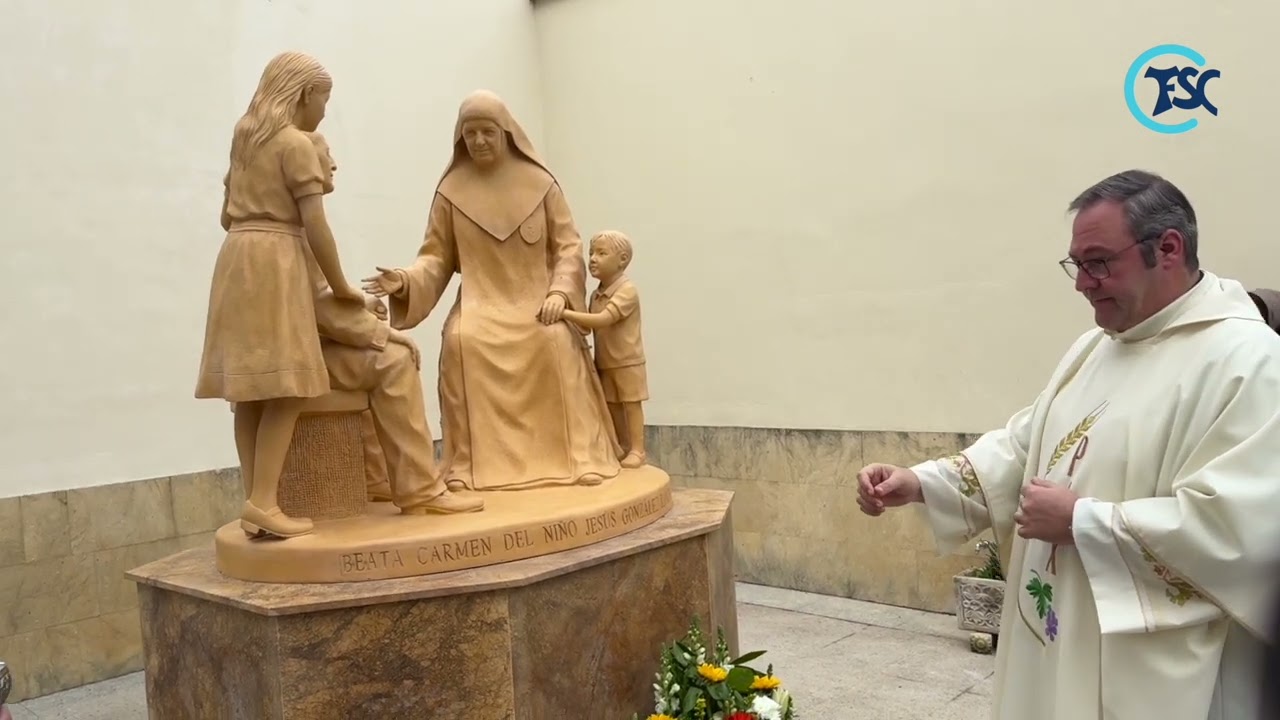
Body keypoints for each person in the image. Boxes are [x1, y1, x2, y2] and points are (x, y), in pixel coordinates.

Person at [855, 170, 1280, 719]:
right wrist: (921, 482)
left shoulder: (1248, 362)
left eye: (1098, 262)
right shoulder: (1095, 347)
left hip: (1152, 671)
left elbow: (1242, 531)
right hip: (1058, 641)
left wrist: (1083, 521)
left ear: (1168, 248)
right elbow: (1026, 444)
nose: (1082, 282)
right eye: (1076, 265)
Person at [362, 90, 622, 491]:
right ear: (460, 138)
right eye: (470, 134)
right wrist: (405, 280)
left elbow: (568, 247)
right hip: (481, 305)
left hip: (539, 303)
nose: (479, 141)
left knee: (554, 340)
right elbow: (435, 257)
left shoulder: (541, 185)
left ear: (506, 133)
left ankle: (580, 456)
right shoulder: (451, 191)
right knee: (460, 340)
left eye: (487, 132)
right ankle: (466, 466)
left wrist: (558, 292)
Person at [195, 51, 366, 539]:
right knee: (288, 388)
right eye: (325, 100)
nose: (325, 111)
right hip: (274, 259)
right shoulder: (294, 144)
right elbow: (316, 224)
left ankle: (255, 501)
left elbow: (227, 215)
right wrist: (341, 287)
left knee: (249, 393)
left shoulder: (244, 137)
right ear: (305, 94)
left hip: (236, 258)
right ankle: (266, 502)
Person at [302, 131, 482, 515]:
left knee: (376, 355)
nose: (333, 163)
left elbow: (320, 300)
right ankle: (420, 490)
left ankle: (379, 478)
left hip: (308, 347)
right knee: (394, 362)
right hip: (303, 357)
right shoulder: (296, 230)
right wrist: (383, 334)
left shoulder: (288, 226)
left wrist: (366, 306)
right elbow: (316, 306)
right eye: (327, 155)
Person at [562, 230, 650, 468]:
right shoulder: (596, 294)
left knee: (631, 404)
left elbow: (602, 320)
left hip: (628, 361)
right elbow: (588, 326)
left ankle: (638, 450)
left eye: (601, 253)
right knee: (611, 404)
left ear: (622, 259)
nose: (592, 258)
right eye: (591, 253)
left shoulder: (626, 291)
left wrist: (564, 313)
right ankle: (620, 446)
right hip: (605, 361)